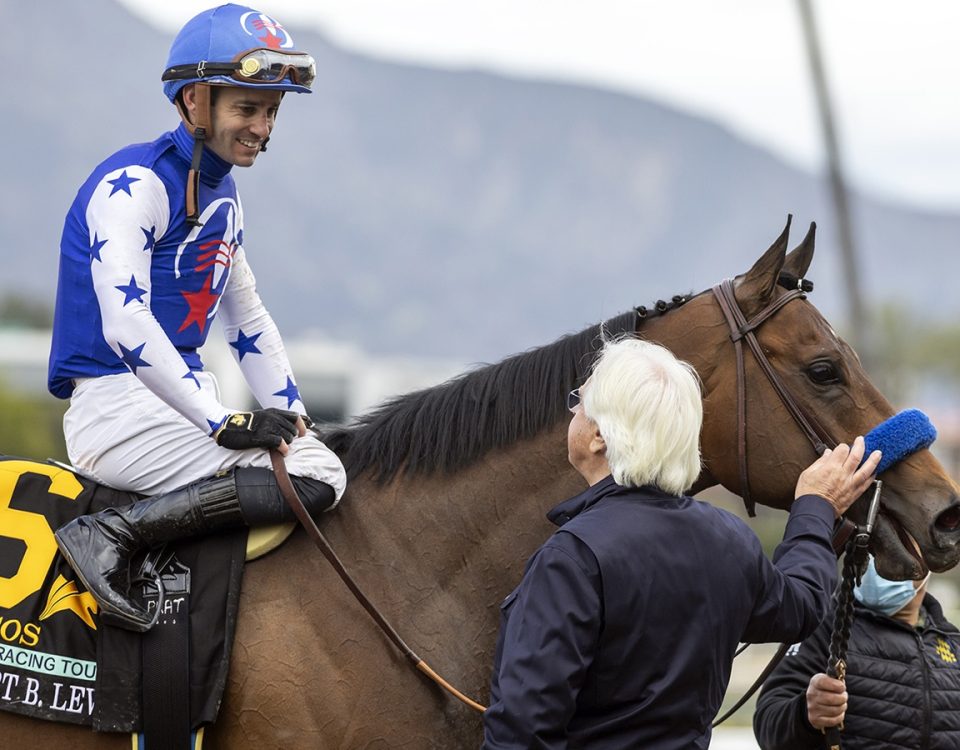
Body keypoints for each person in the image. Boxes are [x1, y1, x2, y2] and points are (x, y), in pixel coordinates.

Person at [47, 4, 346, 632]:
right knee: (320, 475)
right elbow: (124, 324)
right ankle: (110, 536)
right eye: (246, 109)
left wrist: (289, 412)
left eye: (270, 112)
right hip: (115, 414)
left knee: (316, 451)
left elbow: (246, 317)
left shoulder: (223, 195)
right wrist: (222, 422)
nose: (262, 127)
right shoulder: (133, 184)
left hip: (172, 409)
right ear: (195, 102)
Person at [482, 337, 883, 750]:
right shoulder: (730, 542)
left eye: (579, 403)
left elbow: (522, 732)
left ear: (599, 435)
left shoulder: (572, 558)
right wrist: (815, 507)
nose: (573, 412)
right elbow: (801, 605)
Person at [753, 558, 960, 750]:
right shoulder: (823, 626)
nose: (882, 562)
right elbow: (768, 726)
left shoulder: (951, 640)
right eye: (873, 549)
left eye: (900, 549)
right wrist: (805, 715)